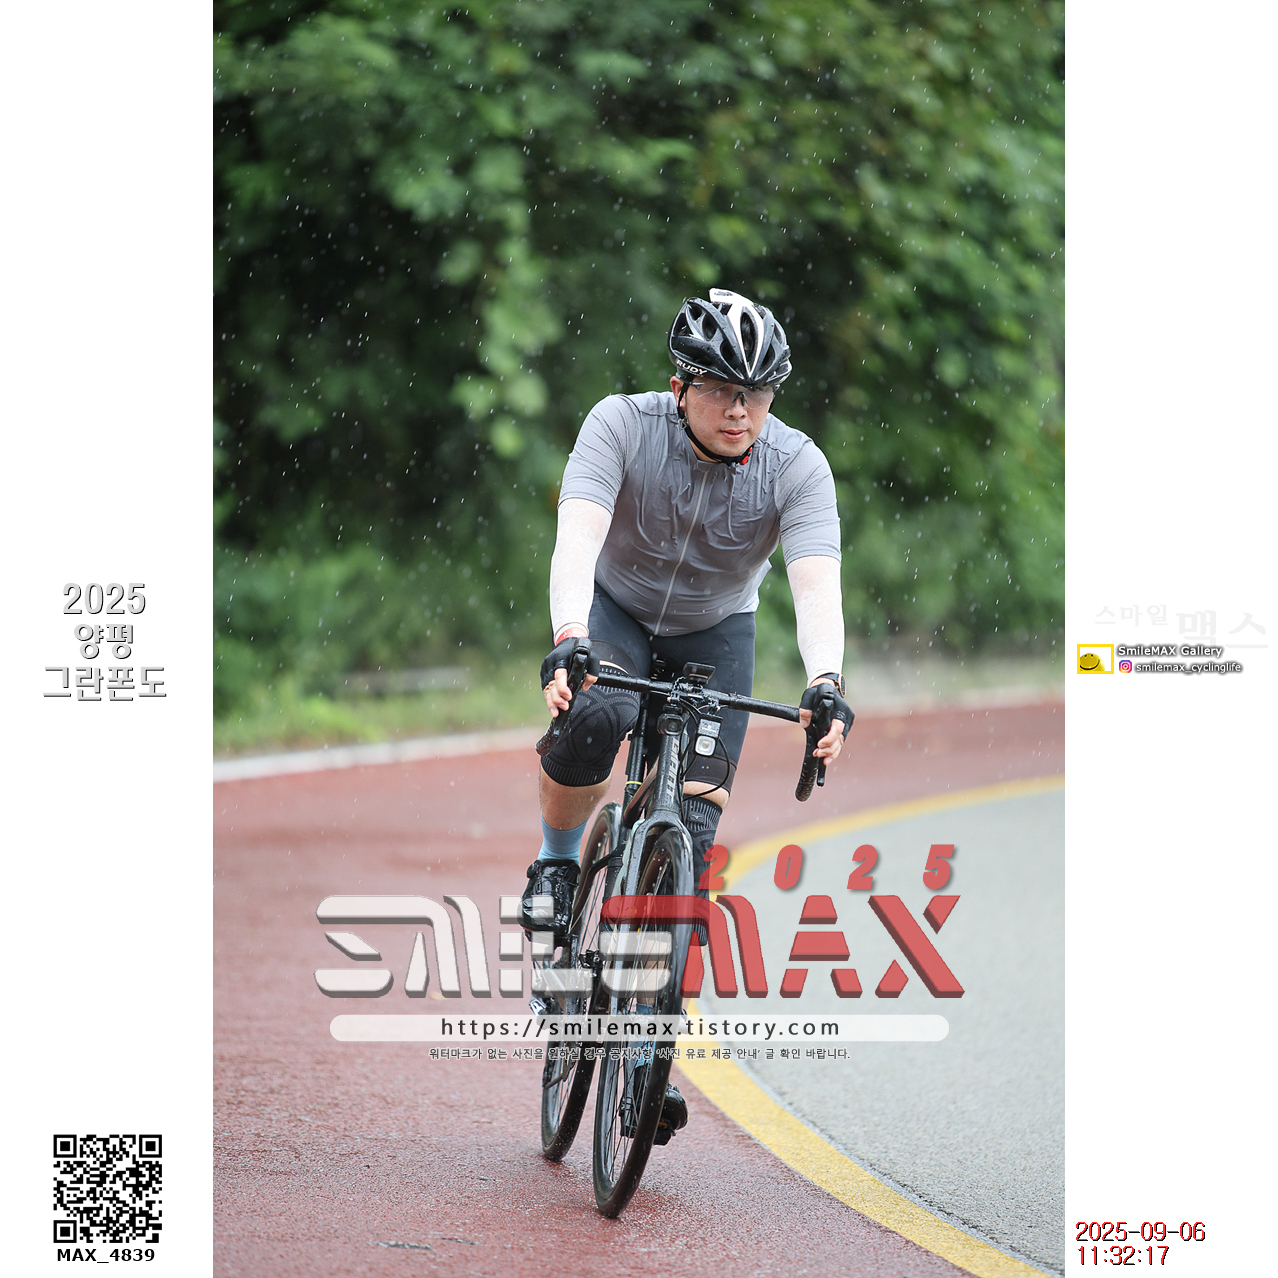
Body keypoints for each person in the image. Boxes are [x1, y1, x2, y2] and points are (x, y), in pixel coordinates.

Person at [520, 288, 853, 1137]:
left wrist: (825, 682)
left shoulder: (797, 466)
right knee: (596, 718)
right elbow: (577, 536)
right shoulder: (621, 425)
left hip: (716, 631)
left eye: (758, 393)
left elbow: (816, 585)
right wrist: (569, 636)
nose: (741, 411)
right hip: (617, 612)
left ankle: (644, 1044)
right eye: (721, 390)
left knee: (695, 837)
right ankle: (557, 864)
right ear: (679, 387)